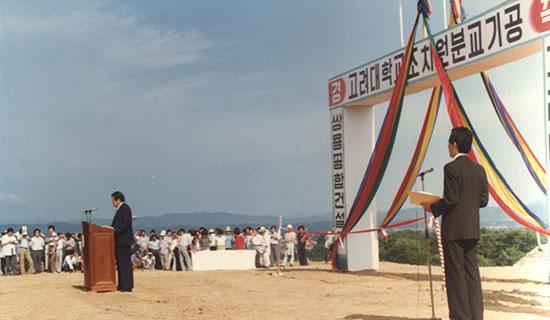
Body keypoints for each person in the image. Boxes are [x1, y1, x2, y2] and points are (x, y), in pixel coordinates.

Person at [423, 127, 488, 320]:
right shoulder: (479, 169)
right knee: (471, 275)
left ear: (455, 145)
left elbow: (450, 199)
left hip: (454, 231)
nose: (448, 148)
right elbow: (483, 201)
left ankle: (460, 316)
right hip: (472, 229)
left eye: (449, 144)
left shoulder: (450, 168)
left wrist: (432, 208)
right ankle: (476, 316)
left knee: (456, 277)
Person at [110, 191, 134, 292]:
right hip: (119, 242)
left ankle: (127, 286)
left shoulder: (125, 208)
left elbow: (126, 223)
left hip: (123, 241)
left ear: (118, 200)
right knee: (120, 264)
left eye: (112, 200)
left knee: (125, 264)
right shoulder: (120, 209)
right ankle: (122, 284)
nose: (112, 203)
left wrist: (114, 230)